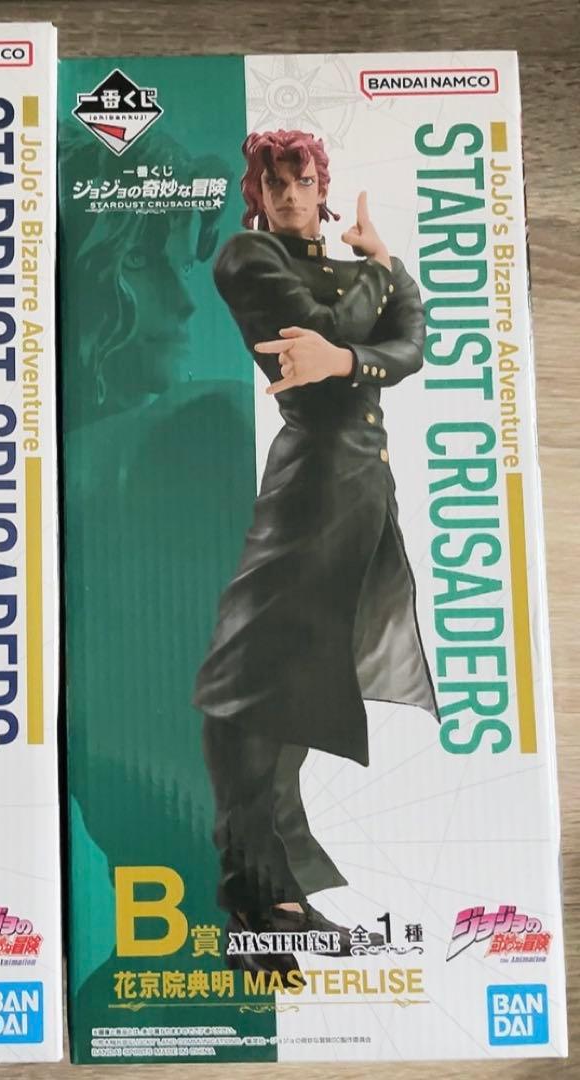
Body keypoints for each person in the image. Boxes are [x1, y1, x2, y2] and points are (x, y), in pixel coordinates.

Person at [193, 130, 438, 975]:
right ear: (257, 193)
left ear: (322, 187)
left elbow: (412, 347)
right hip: (309, 485)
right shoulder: (247, 257)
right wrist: (376, 290)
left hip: (363, 492)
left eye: (303, 180)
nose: (291, 194)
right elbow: (333, 328)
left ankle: (279, 898)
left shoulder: (346, 267)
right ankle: (252, 895)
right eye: (276, 182)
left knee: (295, 682)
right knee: (246, 681)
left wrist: (357, 335)